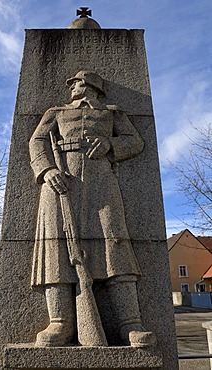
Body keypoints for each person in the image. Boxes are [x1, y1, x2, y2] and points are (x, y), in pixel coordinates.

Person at [29, 70, 151, 347]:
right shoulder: (56, 111)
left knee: (115, 241)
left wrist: (110, 143)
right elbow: (36, 140)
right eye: (71, 82)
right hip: (60, 181)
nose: (72, 85)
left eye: (78, 82)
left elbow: (135, 141)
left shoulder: (111, 113)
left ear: (93, 87)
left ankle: (130, 324)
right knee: (57, 246)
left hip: (101, 180)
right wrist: (46, 170)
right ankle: (60, 322)